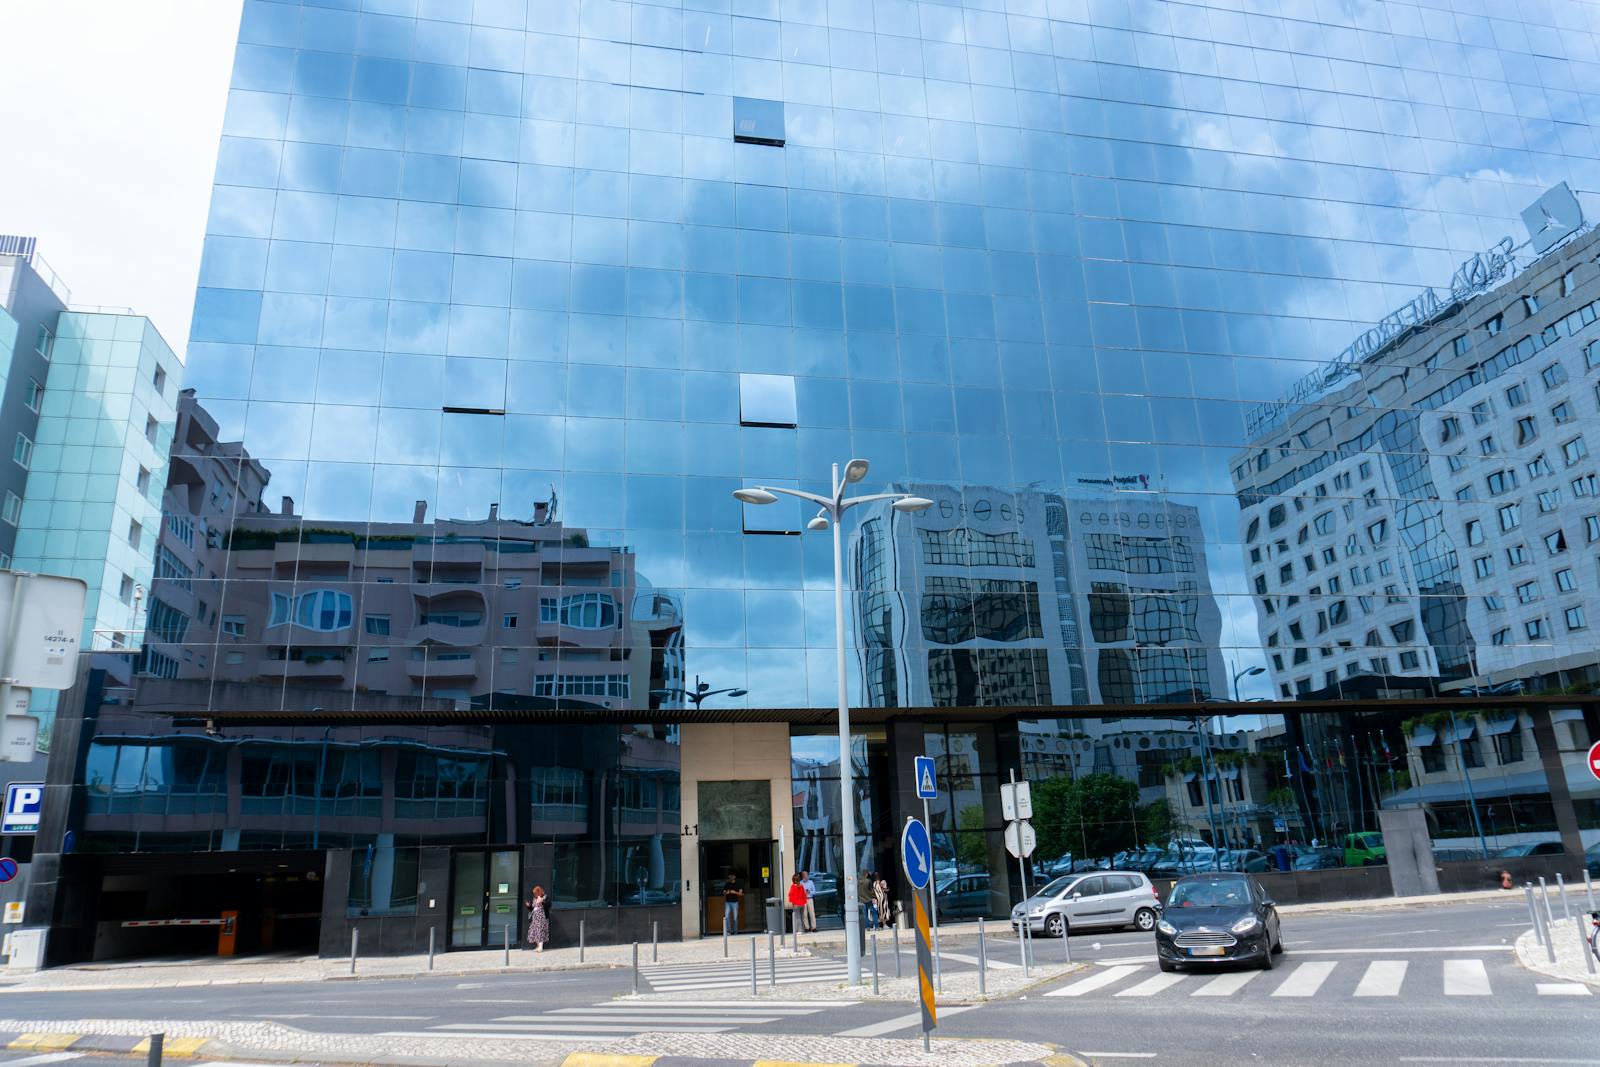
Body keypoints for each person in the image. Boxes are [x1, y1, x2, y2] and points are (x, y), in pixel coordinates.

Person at [525, 885, 550, 952]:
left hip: (542, 917)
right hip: (535, 918)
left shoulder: (544, 897)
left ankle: (541, 947)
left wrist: (542, 901)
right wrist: (528, 906)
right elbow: (532, 908)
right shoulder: (534, 898)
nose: (535, 894)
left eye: (536, 893)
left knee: (540, 931)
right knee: (534, 931)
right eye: (534, 893)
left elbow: (548, 905)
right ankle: (538, 946)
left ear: (539, 892)